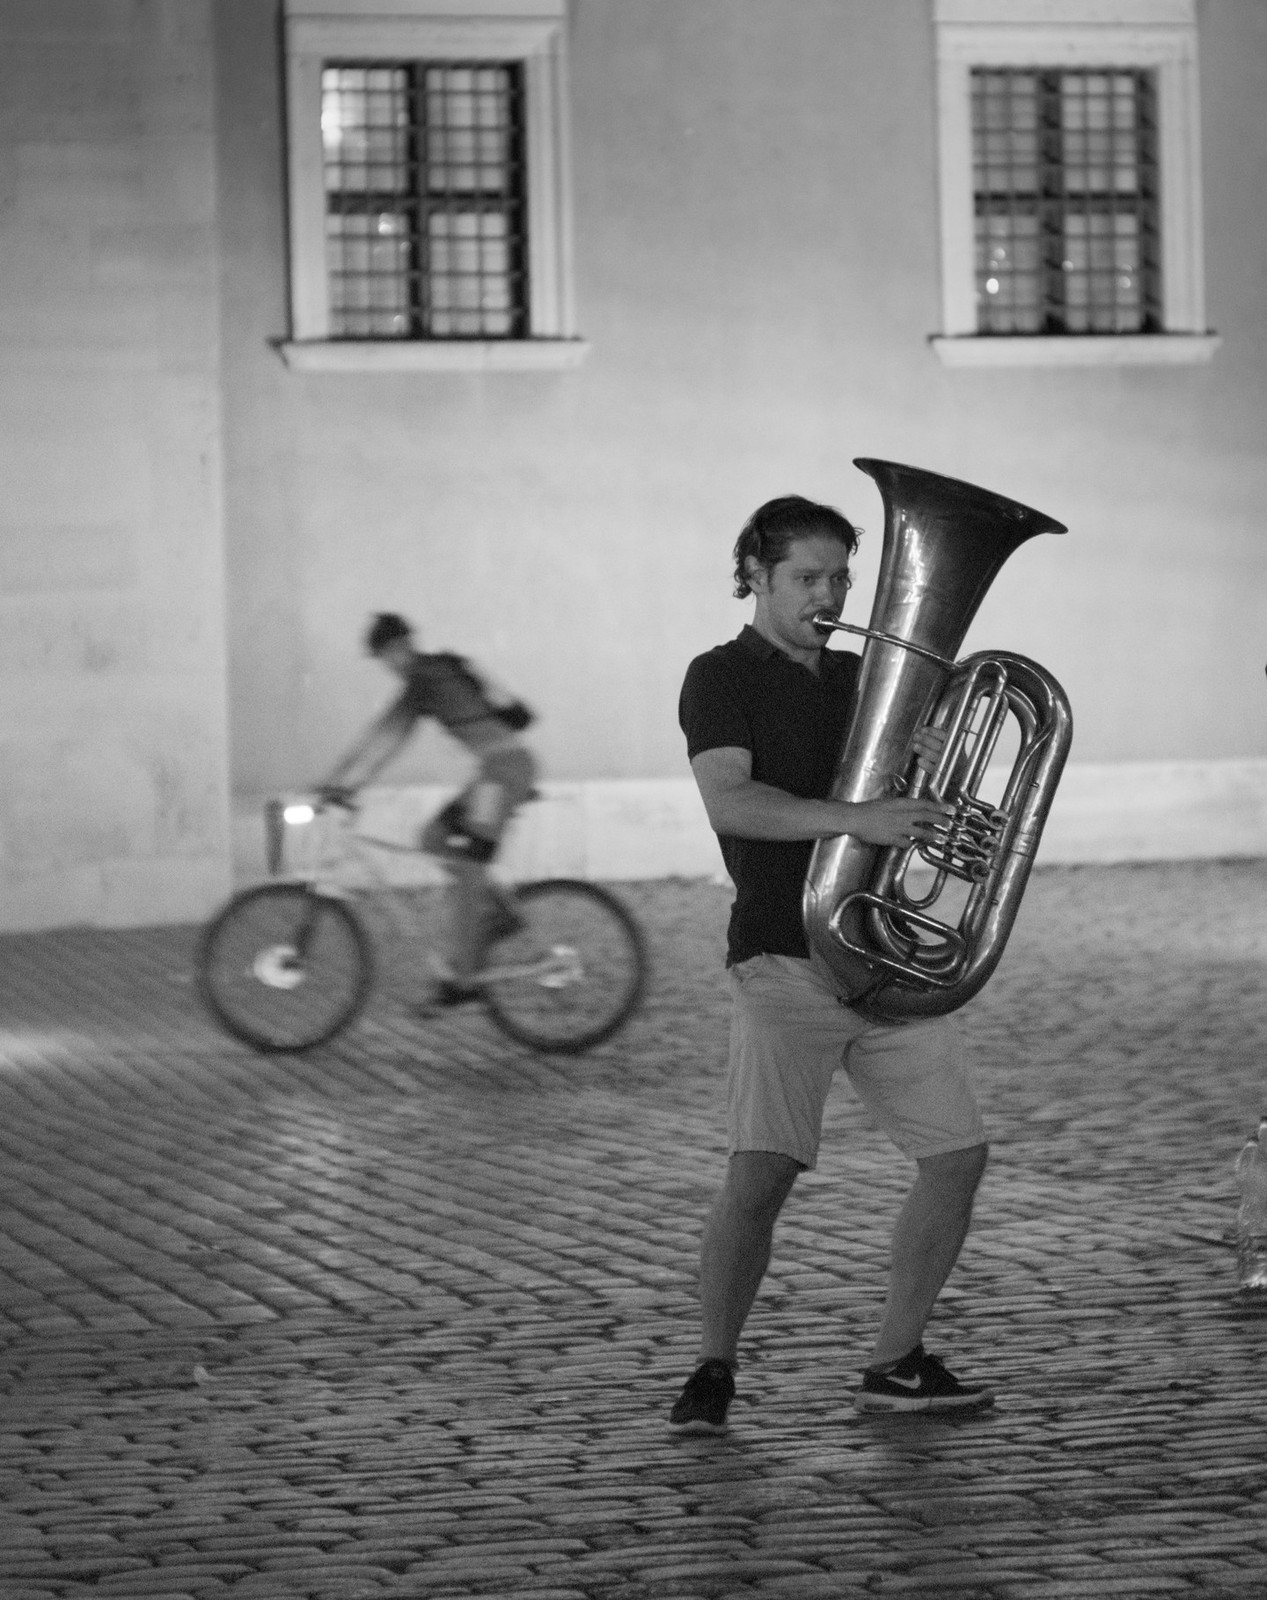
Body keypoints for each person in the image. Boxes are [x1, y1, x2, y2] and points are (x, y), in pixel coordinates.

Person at [669, 494, 993, 1432]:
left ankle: (893, 1359)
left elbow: (905, 806)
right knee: (762, 1174)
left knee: (956, 1157)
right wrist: (861, 817)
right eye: (807, 577)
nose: (829, 593)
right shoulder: (718, 676)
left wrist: (932, 771)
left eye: (841, 577)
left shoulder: (864, 678)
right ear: (756, 576)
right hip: (781, 955)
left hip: (880, 957)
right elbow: (731, 803)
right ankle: (712, 1366)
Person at [319, 612, 537, 1006]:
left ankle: (464, 979)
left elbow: (385, 735)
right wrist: (341, 781)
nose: (386, 666)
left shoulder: (425, 678)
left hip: (503, 772)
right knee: (432, 837)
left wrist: (340, 783)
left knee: (470, 864)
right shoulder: (433, 673)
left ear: (398, 648)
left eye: (385, 657)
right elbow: (386, 734)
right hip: (493, 772)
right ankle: (498, 911)